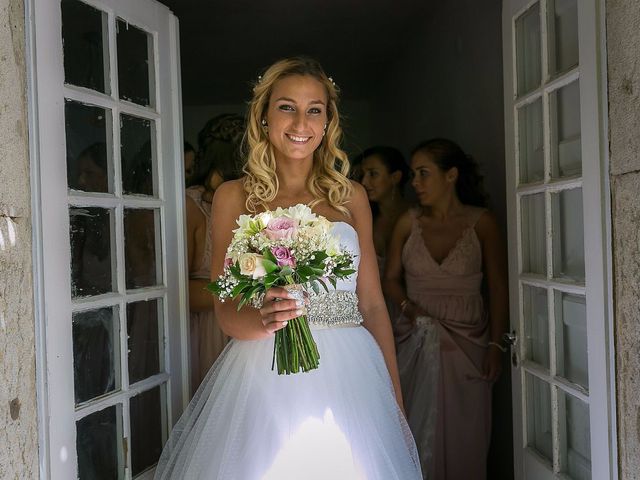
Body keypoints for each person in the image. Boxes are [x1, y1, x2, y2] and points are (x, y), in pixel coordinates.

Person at [155, 57, 421, 479]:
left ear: (328, 120)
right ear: (263, 116)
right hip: (266, 369)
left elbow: (371, 304)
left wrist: (395, 403)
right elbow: (225, 309)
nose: (301, 121)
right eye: (286, 107)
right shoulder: (232, 196)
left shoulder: (350, 195)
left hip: (353, 374)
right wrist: (263, 321)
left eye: (314, 109)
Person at [383, 138, 508, 480]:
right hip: (414, 336)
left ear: (450, 175)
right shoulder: (408, 222)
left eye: (423, 173)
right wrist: (410, 310)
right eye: (412, 174)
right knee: (413, 424)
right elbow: (390, 279)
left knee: (467, 431)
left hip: (470, 340)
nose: (415, 183)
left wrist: (497, 345)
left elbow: (498, 287)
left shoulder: (482, 223)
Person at [186, 114, 244, 392]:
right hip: (207, 333)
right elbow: (176, 291)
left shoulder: (253, 201)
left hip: (249, 327)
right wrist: (249, 289)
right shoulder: (191, 206)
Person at [359, 145, 411, 270]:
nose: (364, 182)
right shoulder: (366, 219)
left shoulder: (416, 217)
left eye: (373, 174)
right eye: (363, 174)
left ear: (395, 177)